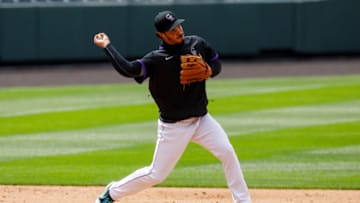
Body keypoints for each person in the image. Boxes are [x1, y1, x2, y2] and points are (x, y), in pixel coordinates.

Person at [93, 10, 252, 203]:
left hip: (202, 120)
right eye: (171, 29)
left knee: (227, 152)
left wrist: (210, 70)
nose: (178, 31)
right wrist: (107, 46)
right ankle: (111, 193)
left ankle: (243, 200)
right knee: (156, 174)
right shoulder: (156, 59)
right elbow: (129, 69)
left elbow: (215, 62)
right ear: (161, 35)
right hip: (173, 126)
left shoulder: (196, 44)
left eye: (178, 25)